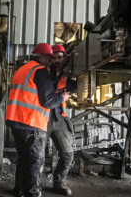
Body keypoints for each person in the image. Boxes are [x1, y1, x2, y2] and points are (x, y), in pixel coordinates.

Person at [6, 43, 70, 197]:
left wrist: (52, 91)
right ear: (41, 57)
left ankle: (19, 190)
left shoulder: (23, 69)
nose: (50, 62)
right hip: (30, 123)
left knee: (24, 158)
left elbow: (31, 92)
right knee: (36, 160)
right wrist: (62, 97)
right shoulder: (40, 70)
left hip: (16, 121)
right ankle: (33, 193)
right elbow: (47, 102)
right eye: (48, 58)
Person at [47, 44, 77, 195]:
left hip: (59, 117)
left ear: (65, 58)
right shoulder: (45, 71)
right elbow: (46, 91)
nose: (57, 60)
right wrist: (58, 92)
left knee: (68, 154)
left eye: (60, 57)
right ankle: (29, 184)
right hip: (43, 117)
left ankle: (59, 182)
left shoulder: (68, 73)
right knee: (35, 154)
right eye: (54, 58)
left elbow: (74, 87)